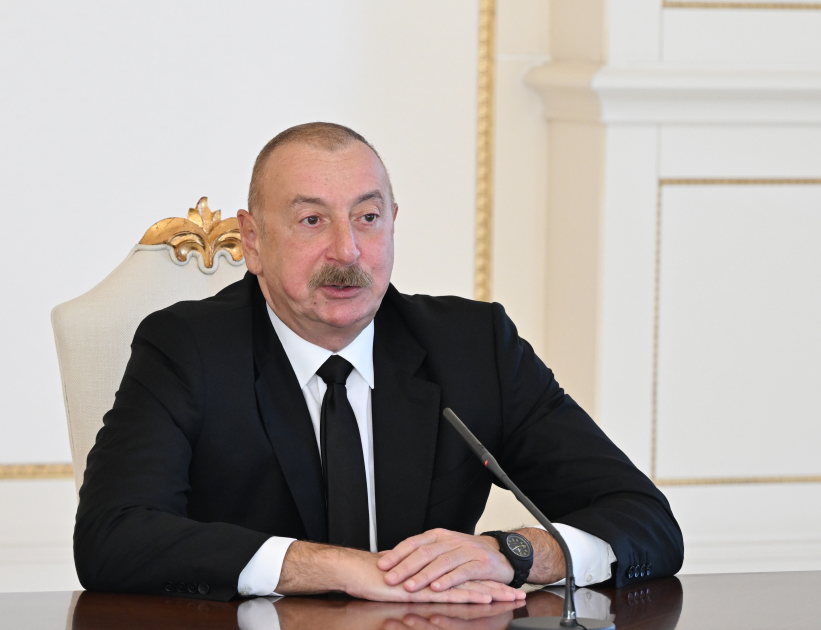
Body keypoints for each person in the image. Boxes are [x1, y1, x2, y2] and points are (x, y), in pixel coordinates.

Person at [74, 122, 683, 605]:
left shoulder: (474, 347)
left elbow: (646, 522)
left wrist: (515, 553)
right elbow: (112, 536)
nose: (347, 252)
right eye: (312, 221)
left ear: (393, 223)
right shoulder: (187, 348)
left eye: (367, 217)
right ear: (253, 242)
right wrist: (335, 567)